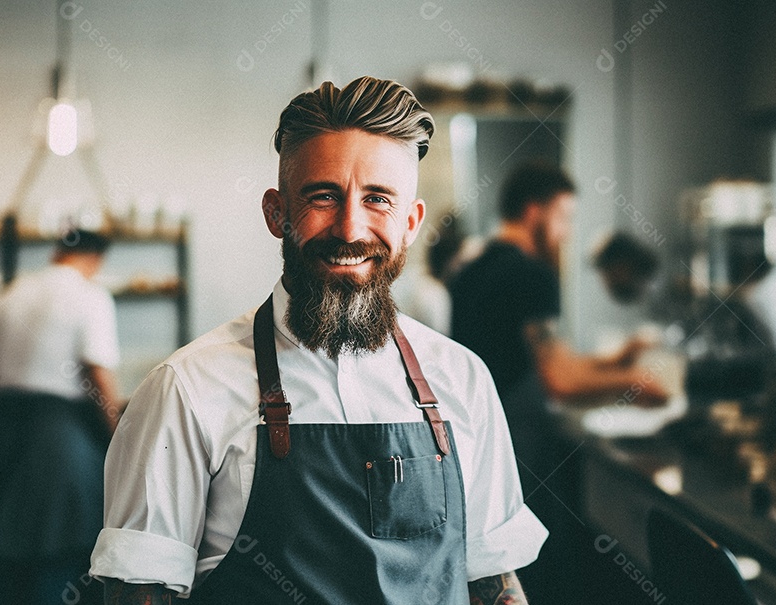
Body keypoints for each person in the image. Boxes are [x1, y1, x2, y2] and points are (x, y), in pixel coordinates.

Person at [90, 76, 545, 604]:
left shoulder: (463, 379)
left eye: (378, 199)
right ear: (276, 213)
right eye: (323, 196)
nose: (350, 228)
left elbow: (495, 584)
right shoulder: (184, 391)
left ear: (412, 222)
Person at [0, 228, 122, 605]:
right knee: (62, 550)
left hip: (4, 427)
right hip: (59, 436)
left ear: (57, 253)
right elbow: (96, 370)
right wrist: (117, 431)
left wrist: (3, 392)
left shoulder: (11, 292)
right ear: (95, 259)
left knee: (6, 552)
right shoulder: (90, 295)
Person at [449, 161, 668, 405]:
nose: (567, 233)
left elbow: (552, 362)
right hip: (518, 432)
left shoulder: (467, 271)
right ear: (533, 212)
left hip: (479, 430)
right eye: (563, 217)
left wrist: (615, 360)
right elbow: (561, 381)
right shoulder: (532, 275)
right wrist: (634, 381)